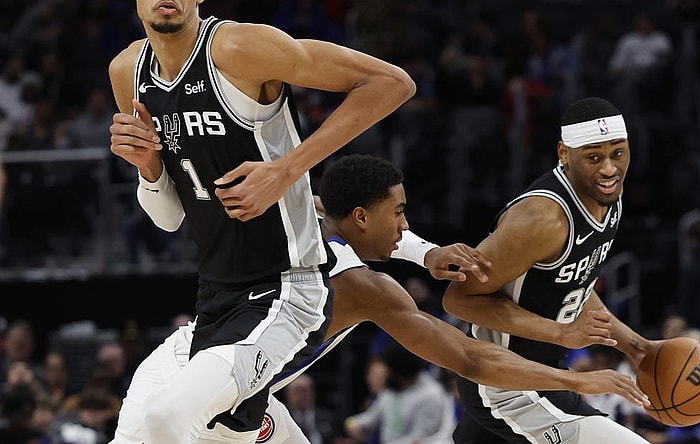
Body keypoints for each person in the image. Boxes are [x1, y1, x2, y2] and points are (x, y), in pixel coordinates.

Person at [111, 153, 648, 444]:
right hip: (193, 378)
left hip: (242, 391)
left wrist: (426, 251)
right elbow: (470, 357)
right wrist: (572, 378)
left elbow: (332, 207)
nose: (406, 222)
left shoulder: (308, 218)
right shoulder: (365, 289)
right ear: (363, 218)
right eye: (400, 211)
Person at [106, 0, 416, 442]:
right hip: (214, 298)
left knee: (166, 419)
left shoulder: (240, 47)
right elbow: (170, 218)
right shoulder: (128, 72)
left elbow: (391, 82)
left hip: (285, 288)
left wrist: (286, 170)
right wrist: (149, 169)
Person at [442, 97, 655, 444]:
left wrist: (636, 347)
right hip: (506, 382)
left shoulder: (608, 195)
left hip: (546, 372)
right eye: (593, 157)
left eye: (618, 153)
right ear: (564, 153)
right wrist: (559, 333)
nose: (608, 169)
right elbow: (457, 299)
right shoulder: (540, 219)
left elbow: (576, 288)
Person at [344, 342, 456, 444]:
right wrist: (353, 423)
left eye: (386, 370)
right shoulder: (390, 391)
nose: (383, 375)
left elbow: (419, 439)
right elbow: (370, 418)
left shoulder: (431, 394)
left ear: (398, 372)